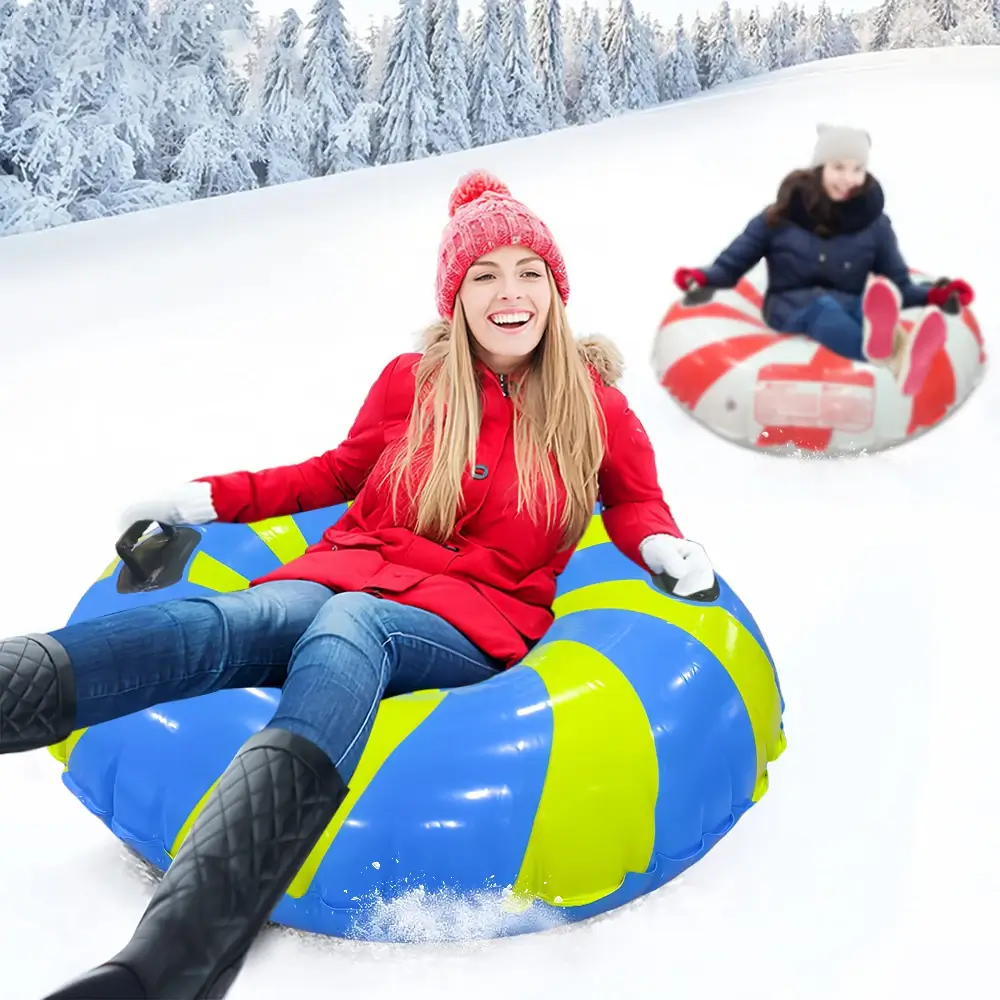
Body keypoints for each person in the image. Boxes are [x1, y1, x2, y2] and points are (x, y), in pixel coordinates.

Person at [1, 170, 716, 1000]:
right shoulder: (413, 382)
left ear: (556, 289)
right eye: (484, 275)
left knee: (350, 627)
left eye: (527, 272)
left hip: (472, 616)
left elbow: (633, 499)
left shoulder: (594, 407)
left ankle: (178, 954)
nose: (508, 293)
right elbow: (335, 473)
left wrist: (662, 544)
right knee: (241, 616)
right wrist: (211, 498)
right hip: (351, 564)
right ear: (456, 296)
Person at [673, 124, 975, 396]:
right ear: (820, 167)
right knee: (824, 309)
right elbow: (732, 263)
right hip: (789, 305)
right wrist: (702, 278)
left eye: (857, 169)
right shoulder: (779, 216)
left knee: (868, 307)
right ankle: (889, 355)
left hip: (850, 299)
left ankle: (903, 359)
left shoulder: (875, 225)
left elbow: (899, 286)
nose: (849, 178)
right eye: (839, 167)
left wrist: (936, 293)